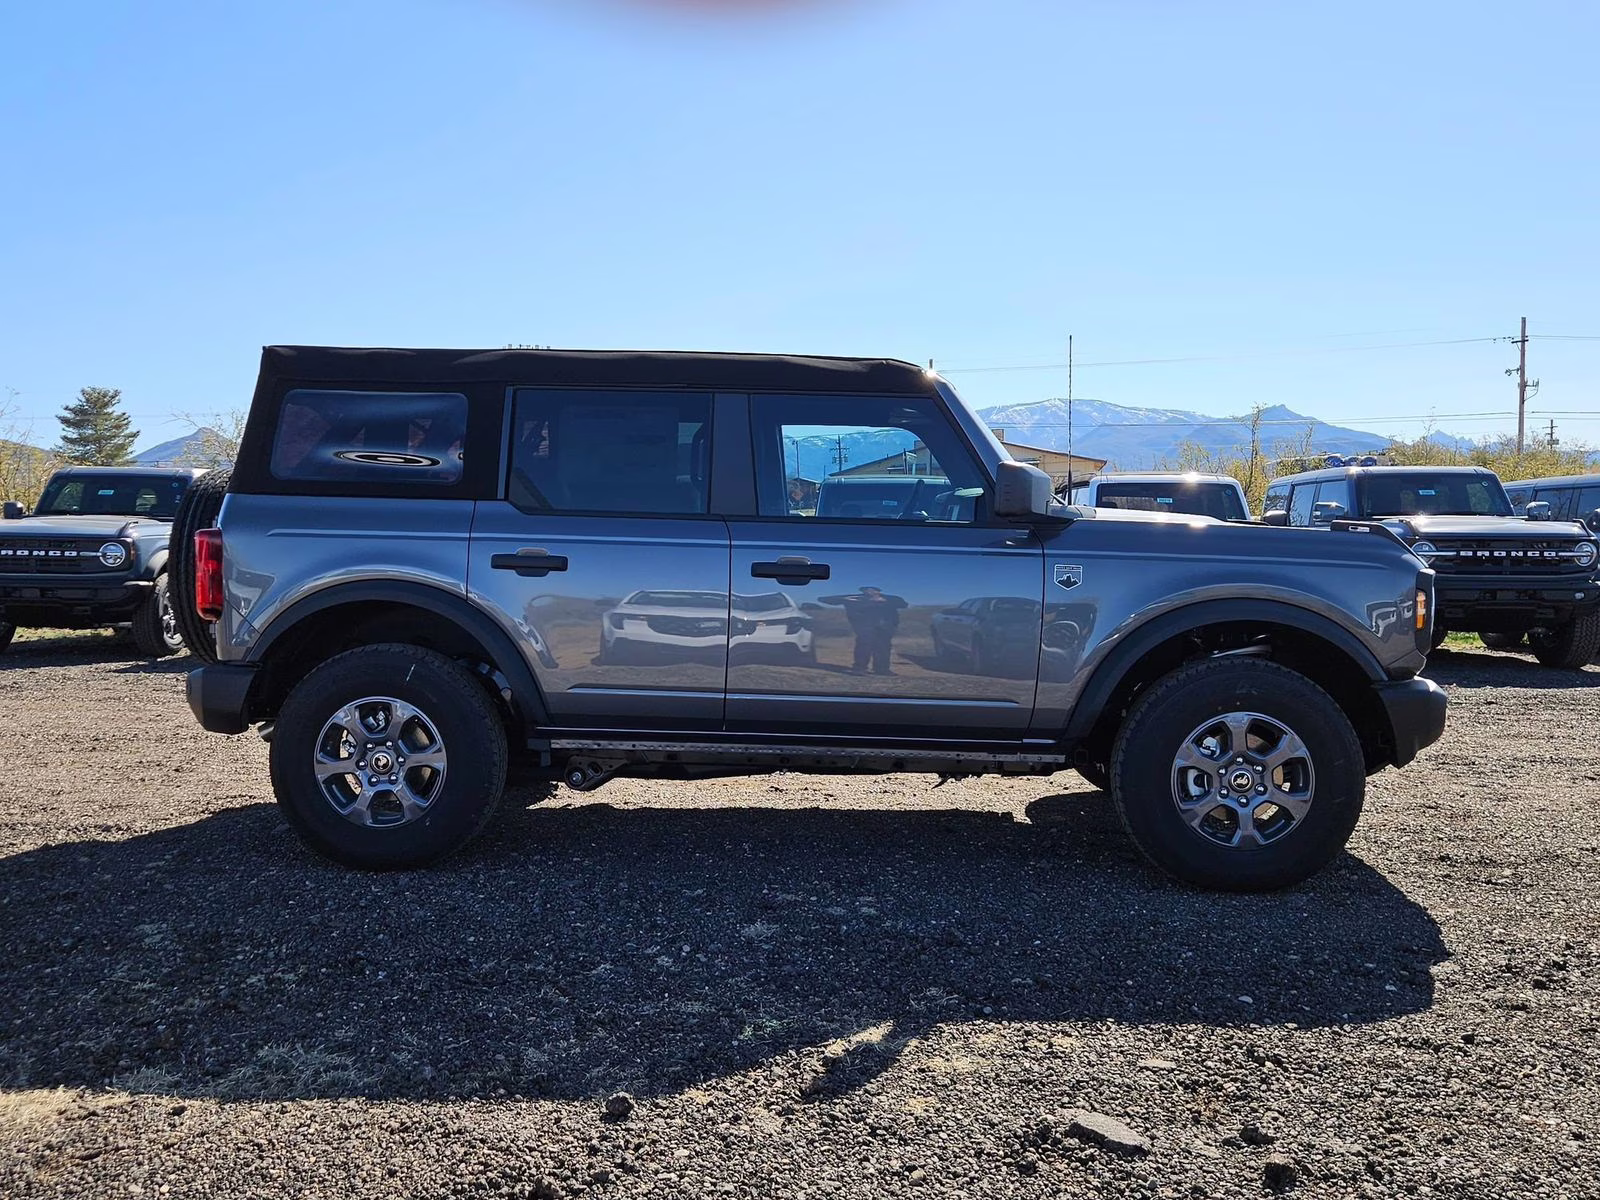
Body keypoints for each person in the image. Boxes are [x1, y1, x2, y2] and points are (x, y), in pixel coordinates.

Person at [820, 586, 907, 675]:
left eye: (872, 590)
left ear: (878, 591)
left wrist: (885, 601)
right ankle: (859, 668)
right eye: (865, 590)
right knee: (864, 646)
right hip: (864, 626)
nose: (869, 591)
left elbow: (903, 604)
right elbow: (824, 600)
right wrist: (845, 599)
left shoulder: (891, 599)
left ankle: (882, 669)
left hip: (885, 627)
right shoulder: (856, 599)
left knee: (883, 648)